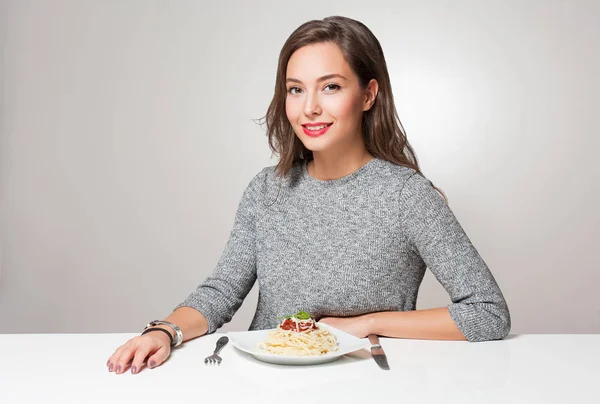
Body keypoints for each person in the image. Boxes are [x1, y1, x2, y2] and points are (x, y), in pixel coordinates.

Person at [107, 15, 510, 375]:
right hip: (264, 381)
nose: (309, 108)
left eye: (330, 86)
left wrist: (365, 323)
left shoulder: (407, 196)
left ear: (369, 95)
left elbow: (487, 314)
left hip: (363, 384)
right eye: (296, 89)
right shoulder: (267, 190)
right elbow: (222, 291)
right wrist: (164, 332)